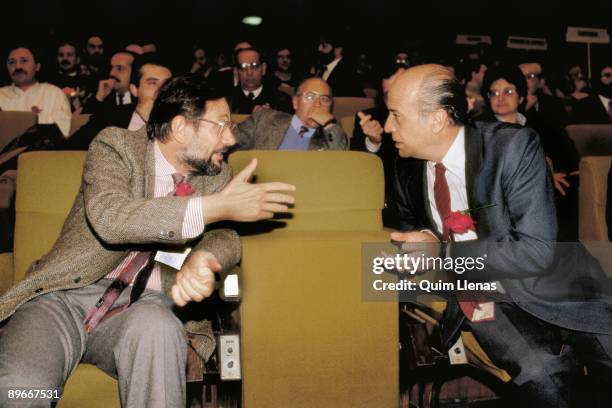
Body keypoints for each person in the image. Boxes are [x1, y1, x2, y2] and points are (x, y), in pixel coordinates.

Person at [0, 74, 296, 408]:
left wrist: (204, 259)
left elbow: (225, 234)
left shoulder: (217, 175)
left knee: (158, 329)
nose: (231, 138)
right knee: (20, 390)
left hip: (145, 306)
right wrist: (212, 207)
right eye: (222, 125)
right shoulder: (116, 146)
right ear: (181, 127)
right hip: (64, 299)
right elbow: (110, 217)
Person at [386, 64, 612, 407]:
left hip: (556, 282)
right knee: (543, 372)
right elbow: (403, 226)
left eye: (396, 116)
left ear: (436, 119)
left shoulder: (513, 147)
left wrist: (442, 252)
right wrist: (414, 239)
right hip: (481, 295)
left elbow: (536, 251)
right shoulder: (406, 169)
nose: (388, 127)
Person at [481, 65, 580, 240]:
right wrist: (545, 172)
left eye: (508, 92)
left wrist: (555, 170)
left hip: (545, 194)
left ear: (521, 98)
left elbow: (567, 152)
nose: (500, 98)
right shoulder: (482, 130)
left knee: (570, 188)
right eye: (494, 93)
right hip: (503, 196)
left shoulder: (538, 124)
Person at [65, 53, 172, 150]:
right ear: (134, 89)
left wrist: (151, 123)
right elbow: (68, 148)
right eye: (152, 83)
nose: (162, 89)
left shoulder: (180, 123)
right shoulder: (109, 116)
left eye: (167, 84)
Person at [231, 77, 347, 151]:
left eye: (324, 99)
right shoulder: (264, 118)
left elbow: (340, 161)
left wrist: (329, 123)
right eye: (310, 97)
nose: (317, 104)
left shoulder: (331, 138)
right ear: (295, 102)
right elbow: (228, 142)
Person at [0, 46, 71, 137]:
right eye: (12, 62)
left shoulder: (53, 93)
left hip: (42, 150)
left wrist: (36, 121)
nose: (17, 66)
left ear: (37, 66)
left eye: (24, 61)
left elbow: (63, 132)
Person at [230, 47, 292, 114]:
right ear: (236, 71)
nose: (249, 72)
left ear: (263, 68)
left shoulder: (281, 100)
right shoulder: (227, 102)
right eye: (243, 67)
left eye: (255, 66)